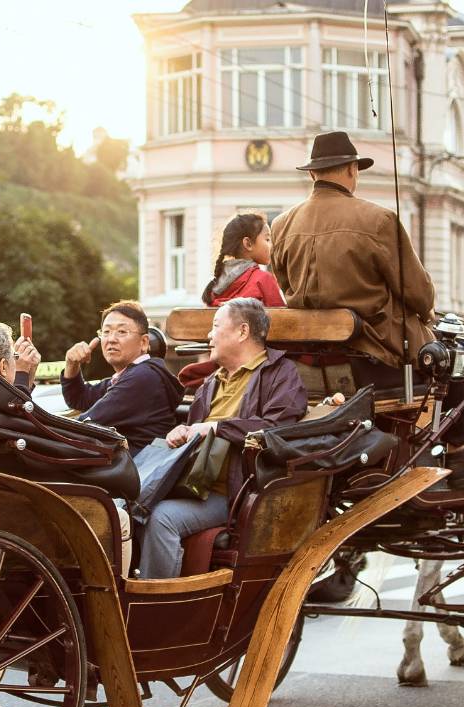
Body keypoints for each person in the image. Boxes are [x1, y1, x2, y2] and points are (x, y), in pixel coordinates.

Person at [270, 130, 464, 486]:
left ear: (312, 173)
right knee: (459, 354)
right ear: (352, 170)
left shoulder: (281, 225)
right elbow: (418, 293)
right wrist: (424, 310)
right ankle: (459, 450)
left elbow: (286, 286)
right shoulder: (378, 220)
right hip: (373, 359)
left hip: (307, 362)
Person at [137, 298, 307, 579]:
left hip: (235, 492)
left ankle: (159, 607)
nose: (209, 335)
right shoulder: (212, 381)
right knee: (129, 507)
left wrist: (216, 427)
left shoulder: (280, 373)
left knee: (162, 518)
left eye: (215, 326)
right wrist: (180, 432)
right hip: (194, 485)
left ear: (242, 332)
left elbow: (278, 429)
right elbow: (195, 432)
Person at [61, 300, 182, 454]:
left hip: (140, 472)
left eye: (122, 332)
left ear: (144, 342)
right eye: (106, 332)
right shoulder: (128, 375)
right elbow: (80, 399)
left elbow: (85, 424)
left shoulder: (143, 378)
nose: (111, 339)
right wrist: (71, 364)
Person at [201, 213, 286, 307]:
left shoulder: (214, 286)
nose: (272, 245)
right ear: (248, 244)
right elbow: (282, 319)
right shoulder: (263, 279)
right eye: (267, 239)